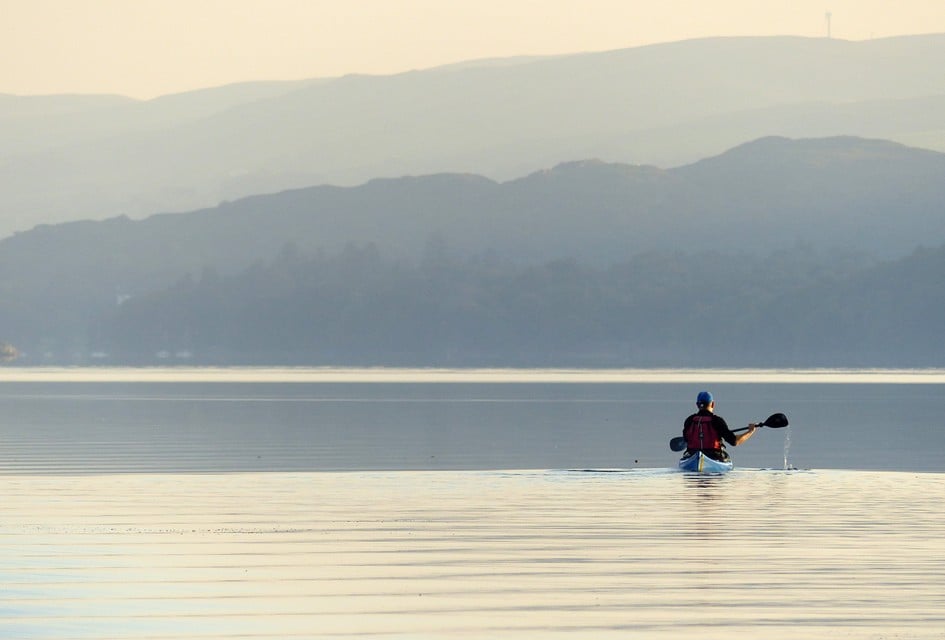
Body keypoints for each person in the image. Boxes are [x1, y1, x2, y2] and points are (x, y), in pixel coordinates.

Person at [682, 391, 756, 462]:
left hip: (692, 455)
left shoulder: (689, 420)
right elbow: (734, 441)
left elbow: (686, 439)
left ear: (697, 405)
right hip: (714, 456)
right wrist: (750, 432)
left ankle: (696, 461)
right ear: (713, 404)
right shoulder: (717, 421)